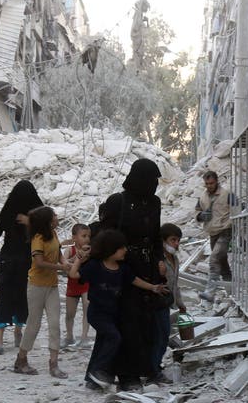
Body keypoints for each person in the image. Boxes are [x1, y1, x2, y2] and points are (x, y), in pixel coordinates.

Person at [69, 229, 168, 390]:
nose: (125, 250)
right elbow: (74, 275)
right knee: (114, 337)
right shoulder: (95, 266)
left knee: (108, 340)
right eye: (121, 247)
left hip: (111, 314)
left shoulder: (122, 269)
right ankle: (99, 371)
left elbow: (135, 280)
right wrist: (79, 260)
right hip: (97, 313)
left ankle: (96, 375)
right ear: (111, 249)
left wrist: (153, 288)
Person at [99, 158, 164, 391]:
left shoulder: (154, 203)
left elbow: (155, 236)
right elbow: (106, 236)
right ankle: (126, 375)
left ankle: (146, 368)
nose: (155, 184)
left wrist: (159, 260)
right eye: (152, 179)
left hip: (148, 268)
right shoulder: (119, 202)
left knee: (147, 321)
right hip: (125, 268)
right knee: (127, 321)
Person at [0, 180, 43, 354]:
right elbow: (48, 231)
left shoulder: (10, 210)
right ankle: (18, 332)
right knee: (23, 297)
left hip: (7, 260)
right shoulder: (37, 214)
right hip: (26, 262)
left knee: (4, 297)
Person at [14, 206, 71, 378]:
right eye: (54, 215)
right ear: (48, 220)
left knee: (55, 324)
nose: (56, 217)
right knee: (34, 324)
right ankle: (21, 358)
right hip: (37, 286)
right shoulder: (38, 239)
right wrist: (61, 267)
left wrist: (65, 262)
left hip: (52, 286)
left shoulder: (53, 234)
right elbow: (39, 262)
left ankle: (53, 364)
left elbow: (59, 253)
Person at [151, 223, 186, 382]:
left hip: (166, 303)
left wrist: (180, 303)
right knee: (161, 335)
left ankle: (154, 366)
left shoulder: (175, 259)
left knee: (162, 335)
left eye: (178, 240)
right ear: (163, 241)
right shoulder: (157, 260)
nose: (176, 244)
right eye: (173, 240)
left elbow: (175, 284)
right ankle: (153, 370)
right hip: (155, 302)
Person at [195, 170, 234, 301]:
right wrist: (201, 216)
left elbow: (238, 211)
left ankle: (210, 292)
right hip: (213, 232)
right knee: (222, 263)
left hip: (225, 230)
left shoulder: (227, 194)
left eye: (211, 183)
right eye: (207, 183)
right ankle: (231, 291)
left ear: (217, 181)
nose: (209, 186)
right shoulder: (202, 197)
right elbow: (196, 212)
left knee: (214, 259)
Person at [62, 223, 91, 348]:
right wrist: (77, 257)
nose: (87, 239)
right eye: (83, 236)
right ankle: (69, 336)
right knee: (70, 313)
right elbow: (64, 265)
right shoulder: (69, 250)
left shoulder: (90, 250)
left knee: (87, 308)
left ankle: (84, 337)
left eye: (89, 236)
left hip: (86, 282)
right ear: (74, 238)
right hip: (72, 284)